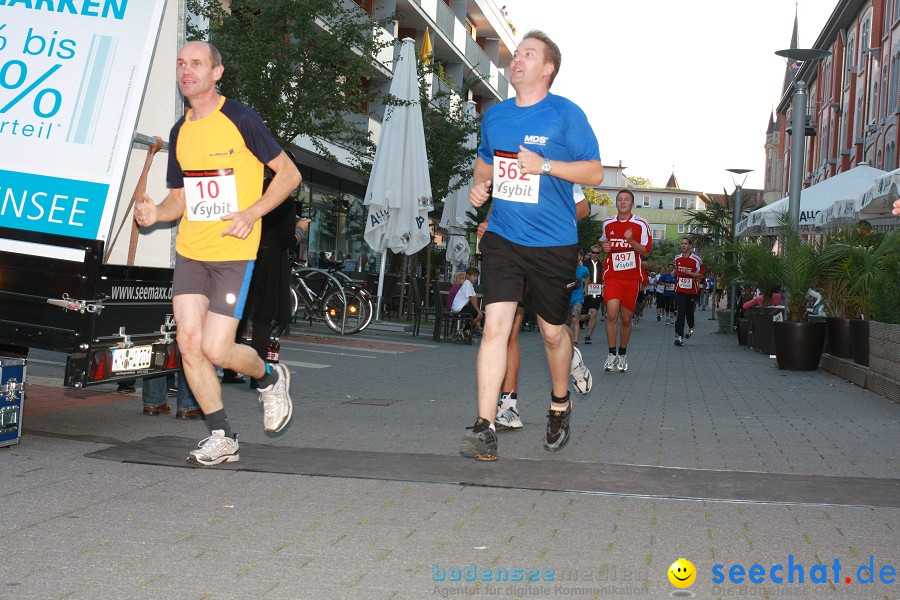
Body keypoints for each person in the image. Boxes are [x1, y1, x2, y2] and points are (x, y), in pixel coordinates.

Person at [134, 41, 302, 467]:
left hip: (232, 253)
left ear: (216, 72)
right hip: (191, 250)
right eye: (181, 64)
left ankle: (269, 377)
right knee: (188, 343)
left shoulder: (241, 118)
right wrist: (156, 213)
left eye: (196, 64)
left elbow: (289, 174)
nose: (186, 71)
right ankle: (222, 435)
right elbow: (180, 198)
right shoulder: (180, 131)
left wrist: (253, 211)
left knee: (216, 349)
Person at [460, 30, 602, 461]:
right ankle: (485, 427)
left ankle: (560, 404)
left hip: (553, 243)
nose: (517, 59)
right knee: (495, 327)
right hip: (503, 236)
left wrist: (543, 165)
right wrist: (478, 188)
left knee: (552, 333)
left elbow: (594, 173)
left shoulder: (566, 114)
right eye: (516, 53)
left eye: (528, 54)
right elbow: (484, 166)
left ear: (548, 69)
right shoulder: (496, 116)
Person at [222, 187, 303, 387]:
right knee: (262, 319)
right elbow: (287, 239)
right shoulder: (284, 200)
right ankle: (257, 375)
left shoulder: (251, 192)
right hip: (271, 263)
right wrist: (300, 230)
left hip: (245, 257)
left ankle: (230, 370)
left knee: (239, 315)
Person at [599, 189, 652, 373]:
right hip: (612, 275)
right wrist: (605, 247)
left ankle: (622, 354)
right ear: (616, 203)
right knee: (612, 313)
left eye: (626, 199)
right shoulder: (607, 223)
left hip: (631, 278)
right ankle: (611, 353)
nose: (622, 202)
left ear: (632, 203)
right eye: (619, 199)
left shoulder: (641, 224)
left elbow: (646, 252)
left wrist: (630, 240)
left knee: (626, 318)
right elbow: (604, 244)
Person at [673, 237, 704, 347]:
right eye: (682, 243)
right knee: (680, 312)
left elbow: (701, 274)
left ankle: (691, 327)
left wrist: (690, 273)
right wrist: (673, 273)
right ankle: (679, 337)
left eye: (685, 244)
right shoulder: (677, 258)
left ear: (690, 246)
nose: (683, 245)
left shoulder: (696, 259)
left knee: (689, 312)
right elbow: (676, 268)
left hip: (692, 290)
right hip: (680, 289)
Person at [450, 267, 484, 336]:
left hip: (459, 307)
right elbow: (472, 298)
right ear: (468, 276)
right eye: (474, 276)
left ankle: (467, 329)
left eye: (477, 276)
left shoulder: (468, 284)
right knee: (476, 314)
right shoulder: (467, 283)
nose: (475, 278)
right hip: (458, 308)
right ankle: (467, 330)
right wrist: (478, 311)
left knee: (476, 313)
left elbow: (473, 297)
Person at [583, 244, 604, 344]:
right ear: (590, 253)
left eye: (597, 253)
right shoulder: (584, 264)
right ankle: (586, 318)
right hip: (585, 292)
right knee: (582, 316)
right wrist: (586, 282)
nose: (595, 254)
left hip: (596, 293)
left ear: (599, 254)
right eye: (593, 252)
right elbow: (578, 276)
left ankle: (588, 336)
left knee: (594, 314)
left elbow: (604, 279)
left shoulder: (602, 266)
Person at [569, 257, 590, 345]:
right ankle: (566, 340)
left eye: (578, 255)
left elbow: (588, 277)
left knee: (575, 319)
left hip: (578, 298)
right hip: (566, 298)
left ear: (581, 257)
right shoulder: (566, 268)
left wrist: (585, 288)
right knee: (566, 322)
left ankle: (575, 342)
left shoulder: (584, 269)